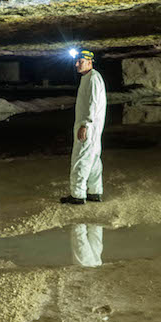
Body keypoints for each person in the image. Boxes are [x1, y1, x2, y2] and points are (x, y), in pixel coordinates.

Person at [61, 49, 106, 205]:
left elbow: (93, 104)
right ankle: (95, 192)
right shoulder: (90, 77)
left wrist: (85, 125)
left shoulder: (93, 79)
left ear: (89, 62)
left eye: (80, 61)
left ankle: (78, 195)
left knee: (80, 159)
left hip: (89, 126)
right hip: (93, 127)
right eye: (77, 61)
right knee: (93, 160)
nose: (76, 64)